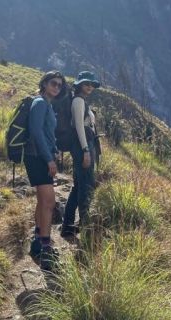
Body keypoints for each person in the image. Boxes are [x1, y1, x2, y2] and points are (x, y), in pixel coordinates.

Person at [25, 70, 65, 271]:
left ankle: (37, 240)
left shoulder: (46, 104)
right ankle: (46, 246)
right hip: (38, 158)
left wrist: (54, 151)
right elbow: (36, 132)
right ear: (45, 83)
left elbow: (47, 133)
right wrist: (49, 159)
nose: (56, 87)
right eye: (53, 83)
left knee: (42, 201)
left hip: (41, 156)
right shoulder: (40, 103)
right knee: (49, 202)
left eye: (59, 85)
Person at [60, 70, 101, 238]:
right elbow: (78, 126)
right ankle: (85, 225)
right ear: (79, 85)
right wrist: (85, 150)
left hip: (85, 144)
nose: (89, 86)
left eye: (91, 84)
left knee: (79, 185)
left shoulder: (82, 101)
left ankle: (68, 225)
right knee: (86, 184)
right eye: (86, 83)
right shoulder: (78, 101)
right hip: (82, 145)